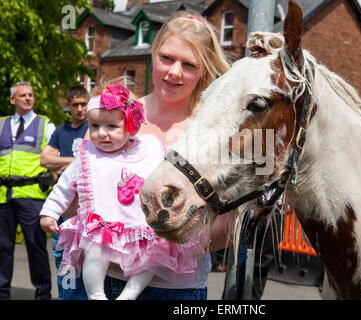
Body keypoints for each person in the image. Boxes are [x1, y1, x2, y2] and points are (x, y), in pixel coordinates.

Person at [103, 11, 233, 300]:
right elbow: (81, 194)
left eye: (189, 65)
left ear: (204, 71)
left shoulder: (213, 132)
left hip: (176, 289)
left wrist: (172, 242)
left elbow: (226, 225)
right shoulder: (115, 117)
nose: (175, 72)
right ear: (153, 53)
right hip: (105, 282)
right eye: (167, 58)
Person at [40, 83, 206, 300]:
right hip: (103, 226)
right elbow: (64, 186)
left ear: (131, 128)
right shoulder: (88, 156)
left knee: (153, 258)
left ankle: (129, 294)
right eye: (95, 126)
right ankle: (96, 295)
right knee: (94, 253)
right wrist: (49, 212)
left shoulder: (149, 150)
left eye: (111, 127)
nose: (101, 134)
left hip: (143, 226)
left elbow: (173, 175)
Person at [0, 81, 56, 300]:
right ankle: (2, 293)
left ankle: (43, 294)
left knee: (36, 246)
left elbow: (53, 157)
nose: (28, 98)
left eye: (31, 95)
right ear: (13, 99)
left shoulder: (45, 125)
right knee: (2, 247)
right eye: (23, 95)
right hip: (4, 195)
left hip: (32, 195)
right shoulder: (1, 124)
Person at [40, 86, 89, 300]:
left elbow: (95, 158)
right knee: (63, 257)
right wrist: (75, 162)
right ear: (68, 106)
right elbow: (44, 160)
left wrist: (63, 164)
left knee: (89, 259)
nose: (79, 109)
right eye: (75, 104)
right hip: (62, 206)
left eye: (83, 104)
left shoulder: (94, 127)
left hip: (86, 206)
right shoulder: (61, 131)